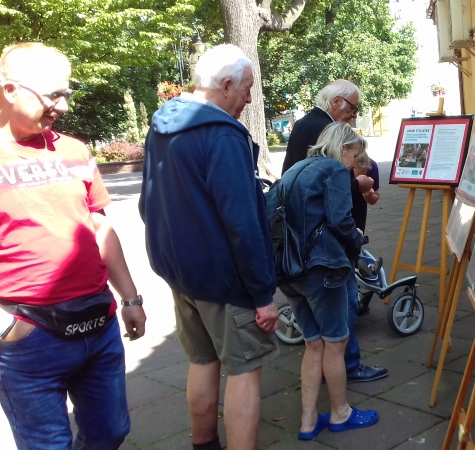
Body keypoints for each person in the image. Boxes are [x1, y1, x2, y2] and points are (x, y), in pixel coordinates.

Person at [0, 42, 147, 449]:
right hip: (29, 335)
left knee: (111, 432)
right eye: (52, 94)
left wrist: (131, 299)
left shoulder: (74, 150)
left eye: (67, 93)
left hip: (98, 323)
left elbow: (100, 228)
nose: (62, 105)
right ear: (10, 89)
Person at [139, 44, 280, 450]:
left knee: (202, 360)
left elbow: (148, 203)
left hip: (182, 274)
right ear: (226, 84)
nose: (250, 98)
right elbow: (244, 224)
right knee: (245, 369)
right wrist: (262, 294)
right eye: (248, 89)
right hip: (225, 278)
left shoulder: (162, 126)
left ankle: (204, 445)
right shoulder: (222, 136)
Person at [278, 123, 380, 439]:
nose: (355, 163)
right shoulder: (334, 170)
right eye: (355, 154)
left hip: (289, 270)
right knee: (336, 344)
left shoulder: (296, 168)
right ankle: (340, 413)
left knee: (314, 344)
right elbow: (340, 219)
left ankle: (309, 421)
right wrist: (357, 238)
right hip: (322, 269)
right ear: (344, 147)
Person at [283, 80, 387, 384]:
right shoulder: (330, 157)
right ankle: (347, 370)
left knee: (316, 336)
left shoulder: (308, 130)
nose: (354, 115)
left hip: (299, 255)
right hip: (323, 251)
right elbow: (334, 210)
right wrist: (356, 239)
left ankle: (312, 409)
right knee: (342, 314)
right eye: (353, 108)